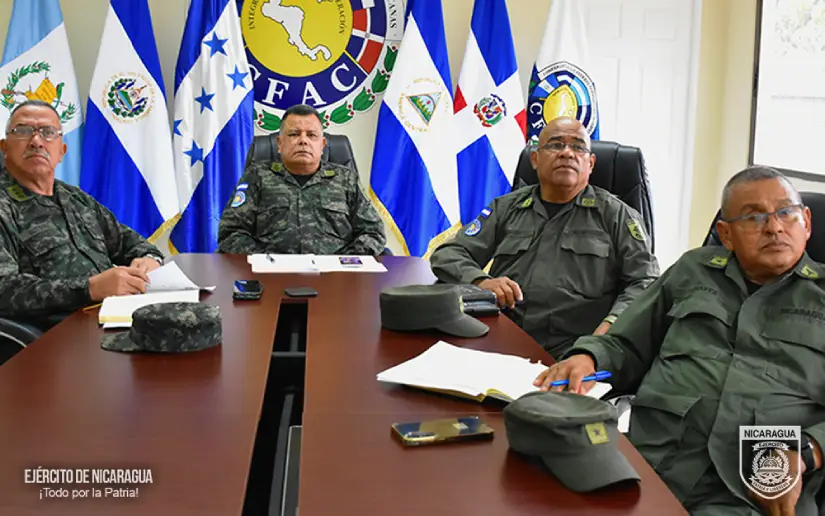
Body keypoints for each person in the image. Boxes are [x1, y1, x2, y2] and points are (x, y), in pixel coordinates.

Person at [535, 167, 825, 515]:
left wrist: (808, 450)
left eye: (786, 213)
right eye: (754, 217)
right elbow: (625, 343)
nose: (774, 227)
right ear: (726, 234)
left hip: (751, 489)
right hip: (649, 464)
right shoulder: (694, 270)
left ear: (807, 222)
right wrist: (588, 358)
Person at [430, 117, 660, 357]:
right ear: (535, 159)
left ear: (590, 163)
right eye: (556, 144)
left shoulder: (617, 216)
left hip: (576, 350)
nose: (567, 153)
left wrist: (610, 327)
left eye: (578, 147)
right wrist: (480, 281)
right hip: (502, 339)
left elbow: (645, 282)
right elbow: (449, 254)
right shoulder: (506, 208)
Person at [0, 100, 164, 332]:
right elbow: (4, 289)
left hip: (116, 317)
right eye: (24, 131)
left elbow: (131, 242)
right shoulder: (4, 207)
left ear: (61, 152)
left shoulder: (76, 199)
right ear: (4, 147)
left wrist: (149, 258)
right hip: (60, 335)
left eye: (48, 132)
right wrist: (89, 288)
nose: (36, 141)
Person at [217, 104, 386, 255]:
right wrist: (265, 261)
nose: (303, 140)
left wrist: (344, 262)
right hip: (271, 274)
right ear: (279, 143)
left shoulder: (346, 179)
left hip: (335, 274)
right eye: (294, 134)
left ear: (322, 145)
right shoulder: (257, 176)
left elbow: (373, 232)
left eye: (311, 135)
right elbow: (231, 232)